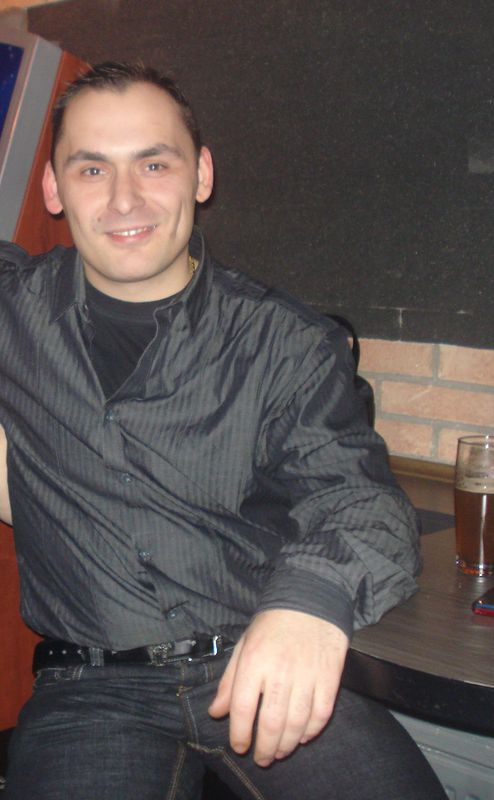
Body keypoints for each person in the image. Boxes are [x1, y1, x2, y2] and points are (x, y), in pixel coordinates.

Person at [0, 62, 446, 799]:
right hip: (90, 690)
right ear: (52, 188)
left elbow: (361, 500)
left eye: (154, 163)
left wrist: (307, 604)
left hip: (260, 658)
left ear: (201, 174)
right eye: (91, 169)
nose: (124, 199)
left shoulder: (285, 342)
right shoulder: (14, 311)